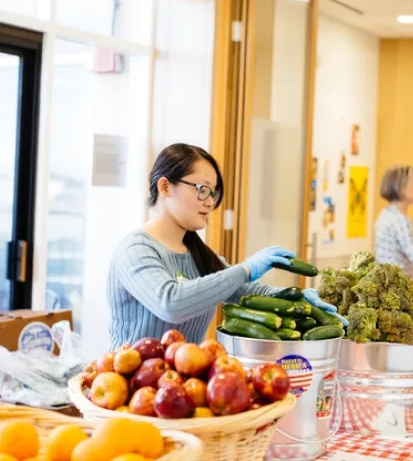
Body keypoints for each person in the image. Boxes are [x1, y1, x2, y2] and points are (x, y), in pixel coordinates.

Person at [107, 143, 347, 348]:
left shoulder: (197, 254)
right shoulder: (136, 250)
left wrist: (300, 300)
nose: (210, 202)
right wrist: (246, 268)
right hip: (130, 393)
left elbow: (247, 292)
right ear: (165, 187)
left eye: (213, 193)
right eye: (202, 190)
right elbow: (171, 303)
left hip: (183, 390)